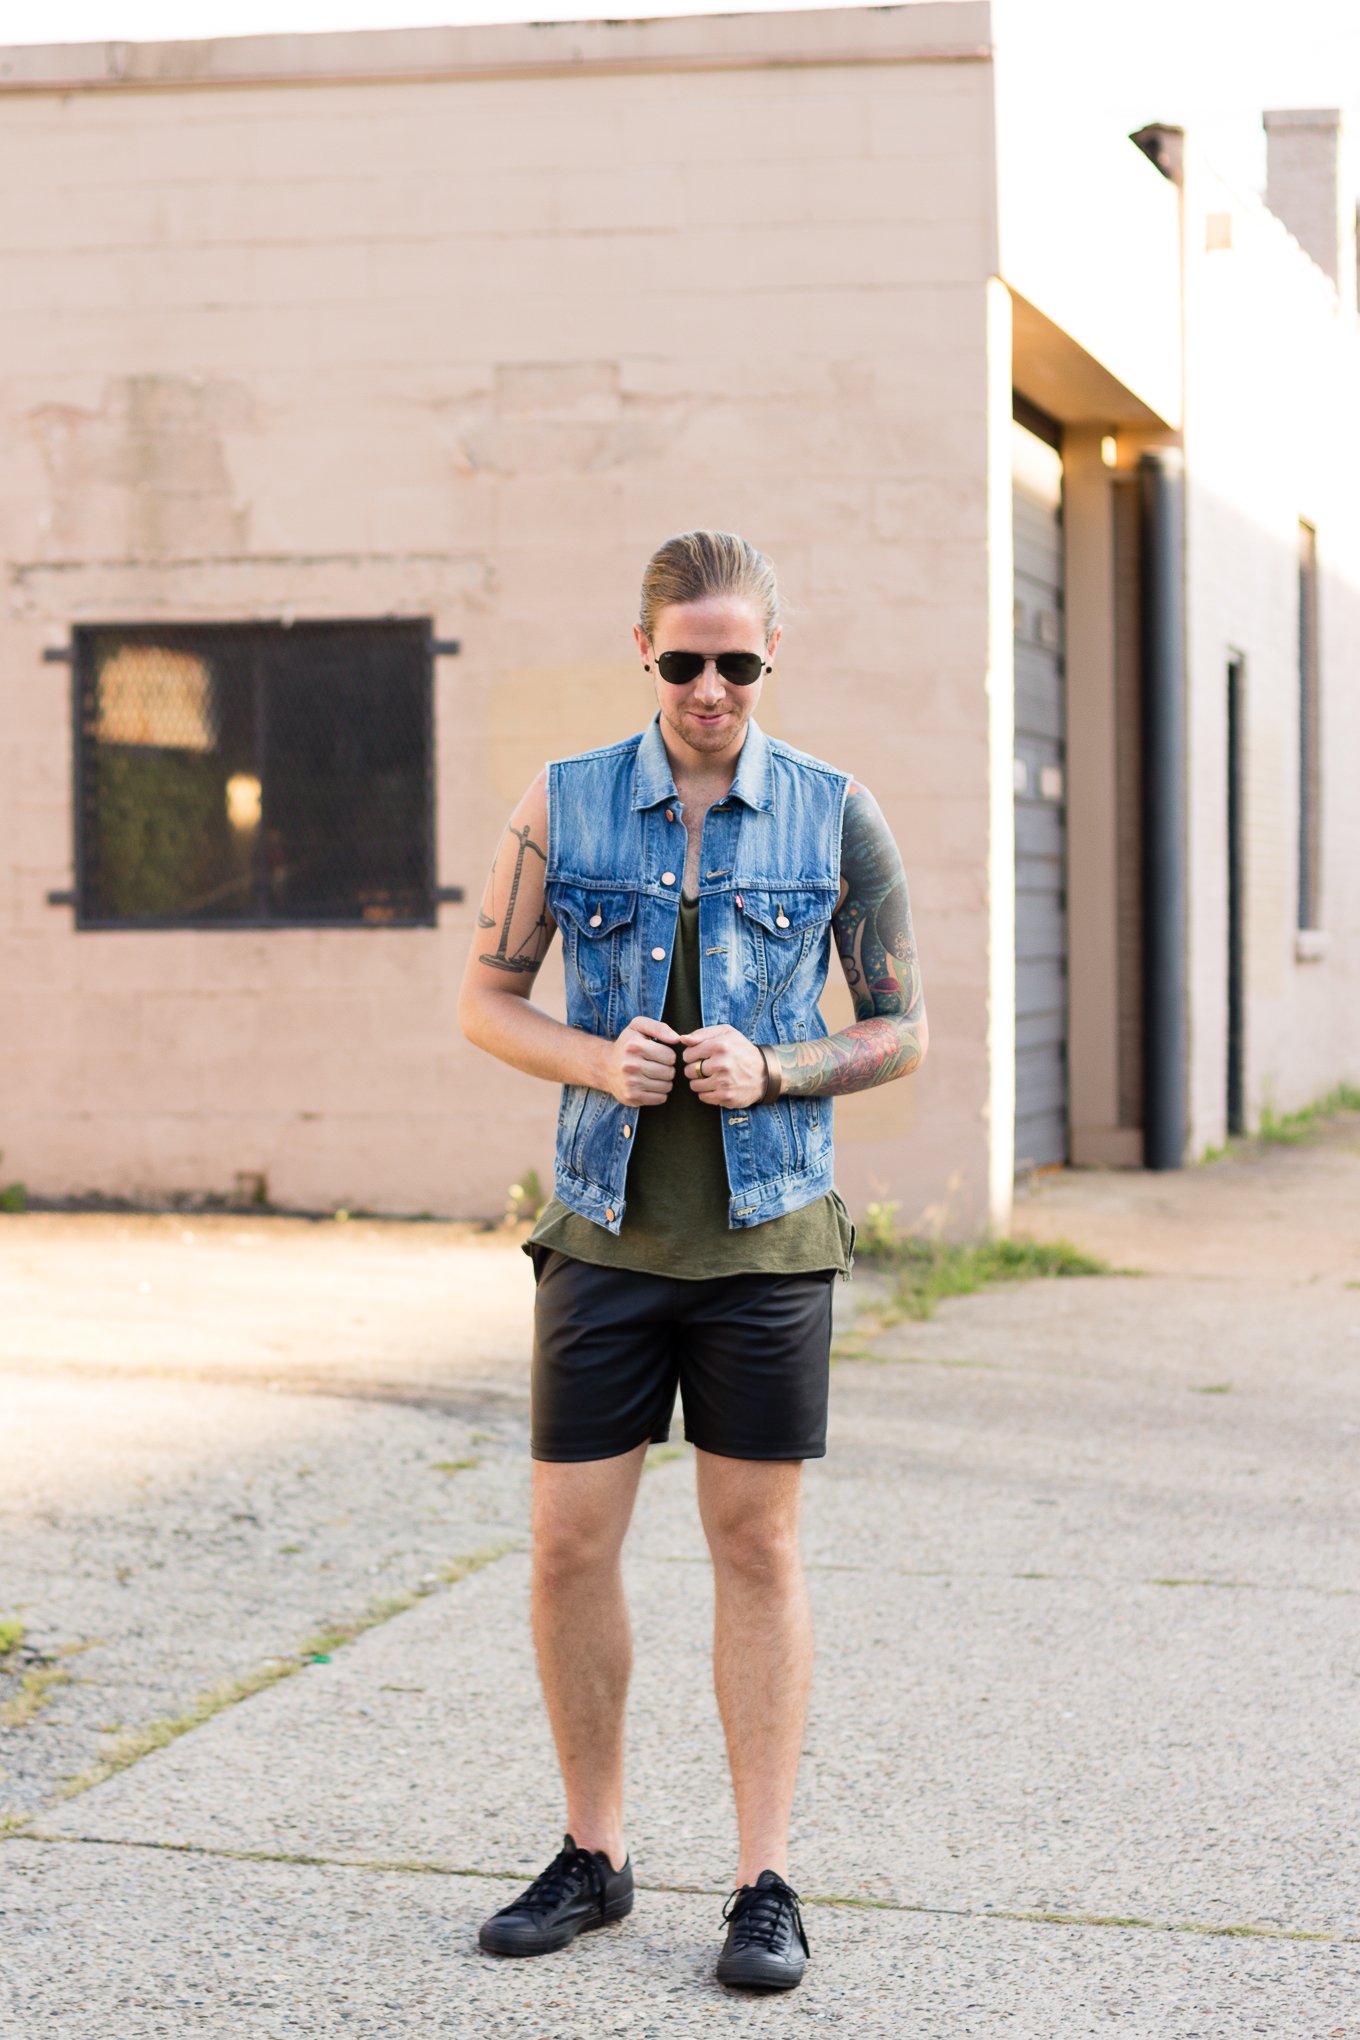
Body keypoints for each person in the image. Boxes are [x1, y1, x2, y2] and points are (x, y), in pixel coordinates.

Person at [458, 529, 927, 1992]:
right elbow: (485, 998)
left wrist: (774, 1067)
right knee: (567, 1545)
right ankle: (594, 1855)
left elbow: (903, 1027)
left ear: (768, 660)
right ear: (646, 656)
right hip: (600, 1234)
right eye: (684, 660)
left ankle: (762, 1881)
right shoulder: (566, 801)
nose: (710, 687)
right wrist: (604, 1054)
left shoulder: (838, 816)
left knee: (755, 1546)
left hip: (767, 1243)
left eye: (737, 661)